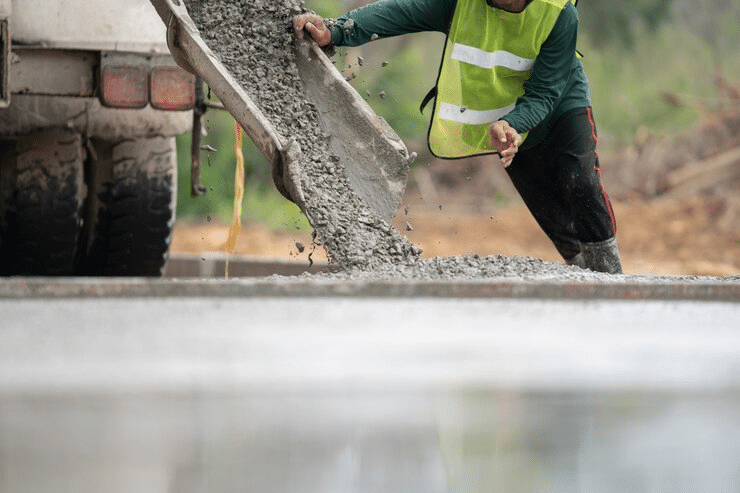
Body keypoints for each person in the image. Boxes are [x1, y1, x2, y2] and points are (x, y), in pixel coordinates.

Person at [293, 0, 623, 274]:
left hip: (560, 104)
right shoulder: (460, 3)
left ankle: (612, 279)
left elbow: (545, 93)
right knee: (554, 218)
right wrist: (335, 30)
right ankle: (585, 280)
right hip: (503, 117)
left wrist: (514, 123)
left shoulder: (560, 13)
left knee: (580, 183)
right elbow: (400, 12)